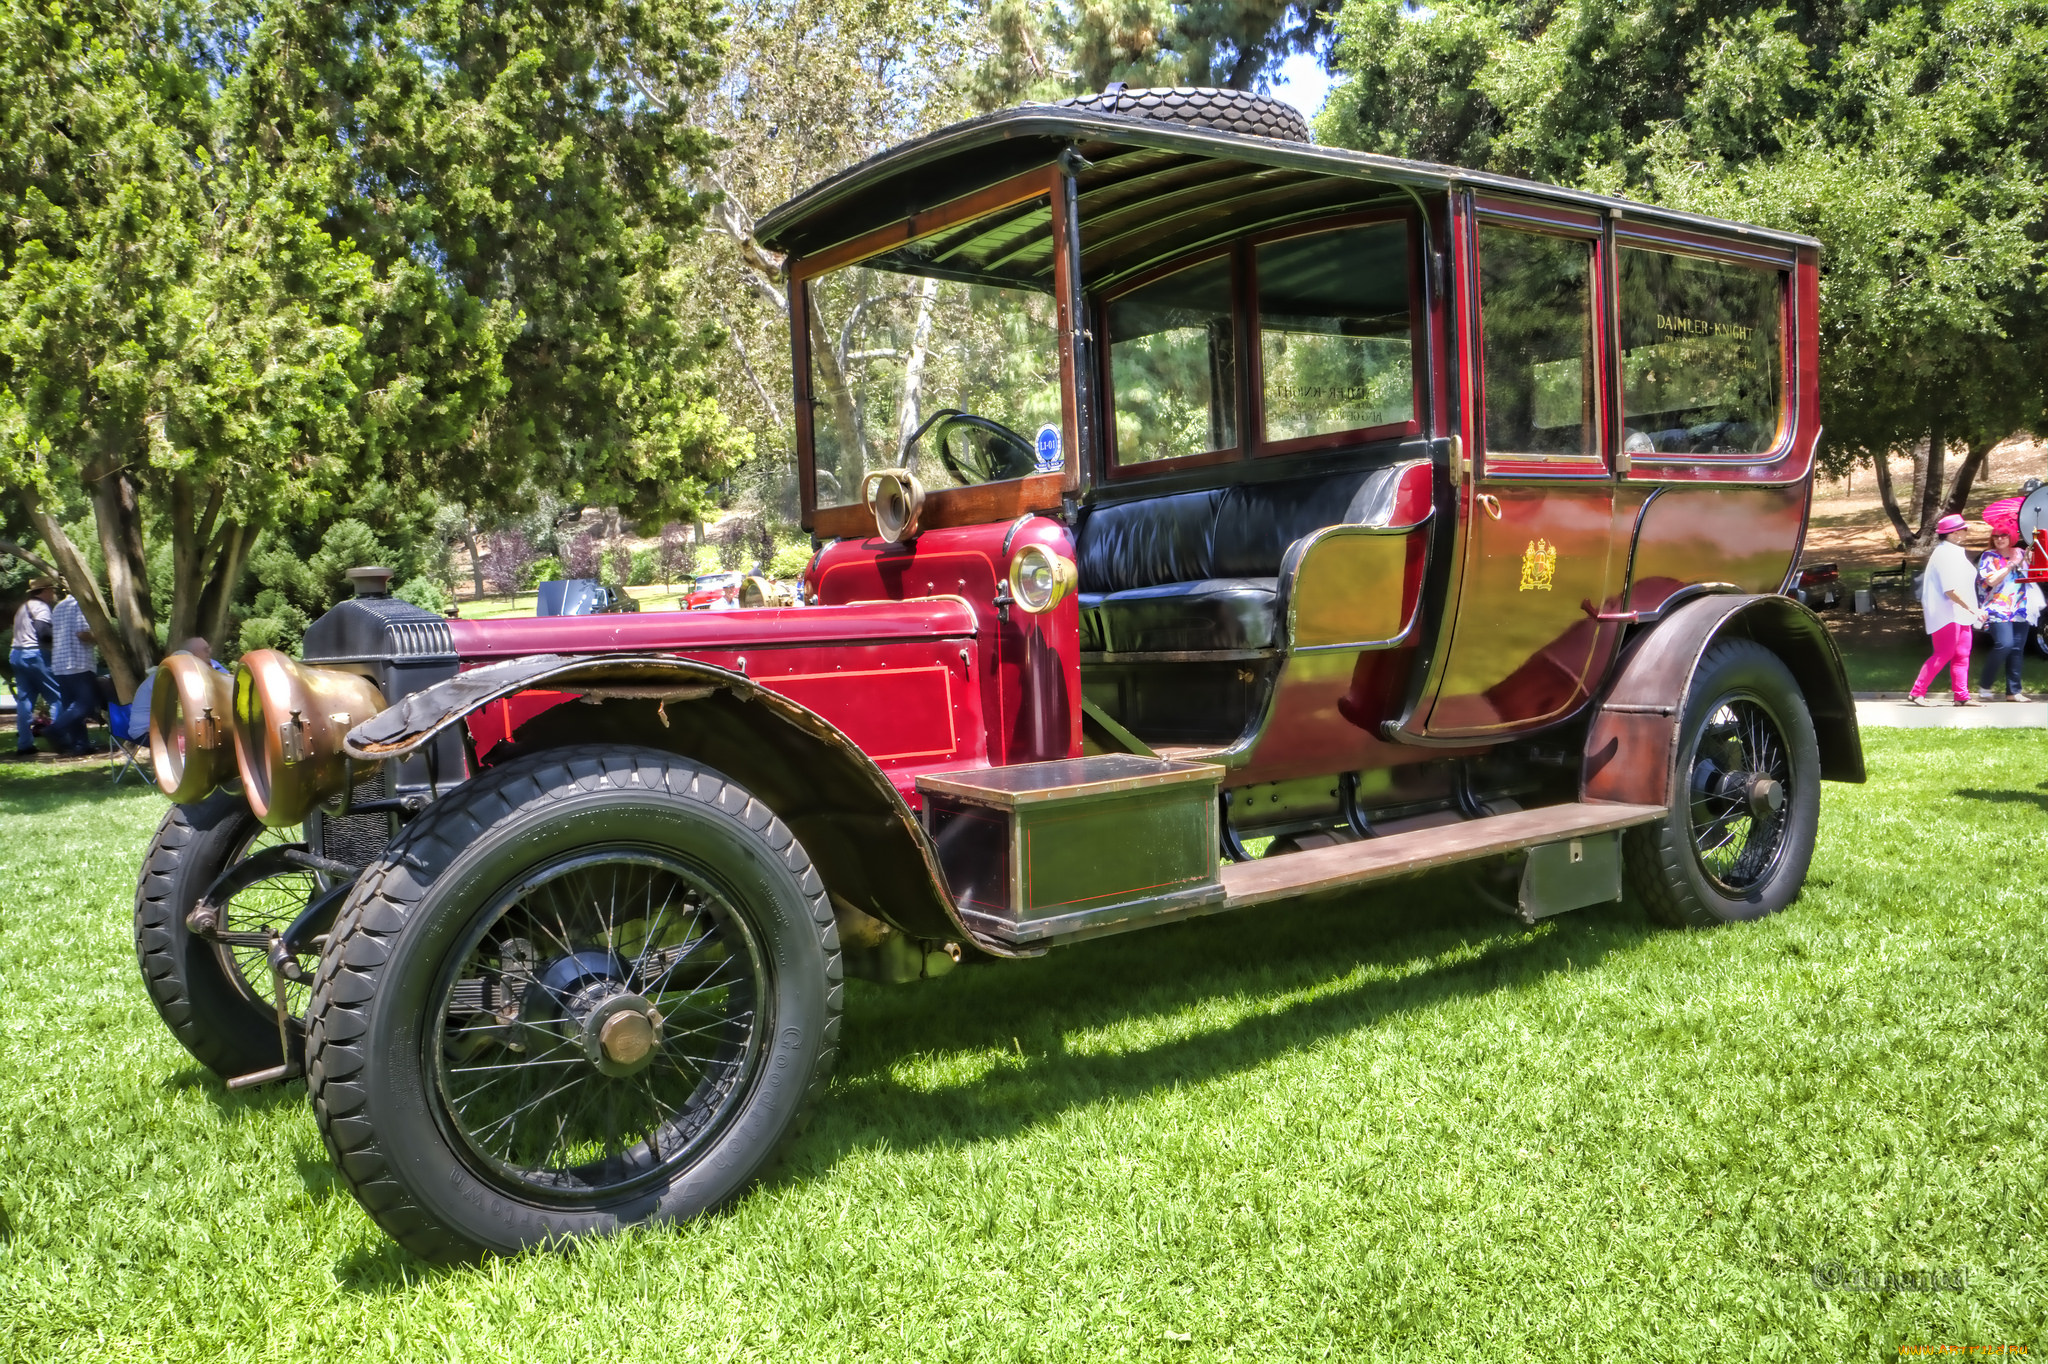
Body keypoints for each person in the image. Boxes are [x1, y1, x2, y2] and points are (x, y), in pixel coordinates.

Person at [1909, 513, 1987, 707]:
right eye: (1963, 529)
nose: (1966, 531)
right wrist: (1974, 609)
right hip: (1946, 612)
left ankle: (1961, 696)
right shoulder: (1944, 554)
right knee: (1944, 652)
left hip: (1960, 613)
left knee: (1962, 654)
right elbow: (1950, 590)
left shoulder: (1954, 552)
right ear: (1953, 534)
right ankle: (1917, 692)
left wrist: (1970, 609)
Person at [1975, 522, 2032, 701]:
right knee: (2005, 644)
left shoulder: (2022, 553)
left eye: (2004, 536)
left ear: (2011, 537)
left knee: (2017, 649)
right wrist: (2010, 565)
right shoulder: (1988, 556)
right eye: (1996, 536)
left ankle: (2013, 691)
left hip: (2021, 607)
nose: (1999, 539)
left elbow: (2036, 573)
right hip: (1997, 607)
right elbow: (1990, 581)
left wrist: (2033, 554)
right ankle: (1984, 685)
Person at [8, 579, 60, 757]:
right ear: (44, 591)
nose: (53, 594)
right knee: (57, 696)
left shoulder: (23, 608)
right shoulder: (41, 607)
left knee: (24, 702)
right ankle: (60, 740)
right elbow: (44, 633)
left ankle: (24, 745)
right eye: (51, 590)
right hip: (35, 655)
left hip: (16, 654)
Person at [46, 587, 101, 753]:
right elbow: (82, 634)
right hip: (78, 662)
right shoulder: (80, 605)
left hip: (60, 664)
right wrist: (103, 637)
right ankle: (55, 729)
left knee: (71, 705)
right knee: (86, 704)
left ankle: (80, 745)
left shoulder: (59, 606)